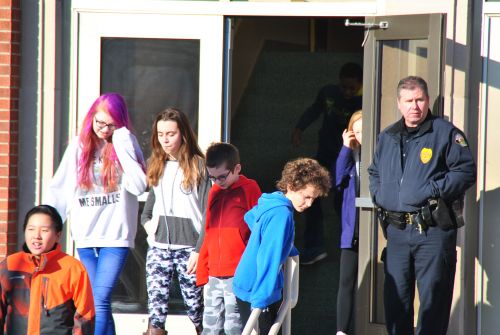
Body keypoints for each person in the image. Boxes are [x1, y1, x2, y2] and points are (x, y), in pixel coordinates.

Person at [368, 76, 476, 335]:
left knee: (433, 302)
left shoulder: (446, 133)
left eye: (419, 100)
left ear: (427, 100)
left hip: (432, 231)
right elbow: (373, 172)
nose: (414, 106)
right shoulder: (388, 136)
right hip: (396, 232)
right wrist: (381, 196)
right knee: (396, 301)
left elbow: (466, 171)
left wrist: (431, 190)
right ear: (399, 103)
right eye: (408, 101)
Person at [44, 93, 147, 335]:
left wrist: (121, 143)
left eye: (111, 124)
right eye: (99, 122)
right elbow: (60, 188)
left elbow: (139, 185)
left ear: (120, 123)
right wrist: (49, 226)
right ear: (91, 118)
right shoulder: (79, 146)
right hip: (86, 236)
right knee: (96, 303)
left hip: (115, 235)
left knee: (98, 299)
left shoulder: (124, 143)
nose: (103, 129)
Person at [233, 157, 331, 334]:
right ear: (292, 186)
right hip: (257, 289)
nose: (309, 203)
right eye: (306, 196)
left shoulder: (273, 201)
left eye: (313, 199)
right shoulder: (282, 215)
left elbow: (251, 217)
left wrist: (287, 246)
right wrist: (261, 299)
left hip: (246, 281)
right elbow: (269, 258)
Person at [141, 108, 211, 335]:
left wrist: (199, 249)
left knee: (195, 307)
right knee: (156, 310)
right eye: (161, 134)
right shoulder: (157, 163)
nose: (165, 139)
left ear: (183, 134)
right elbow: (148, 208)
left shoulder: (198, 166)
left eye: (170, 133)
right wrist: (150, 227)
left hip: (189, 248)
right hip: (159, 248)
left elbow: (207, 211)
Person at [292, 62, 363, 265]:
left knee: (342, 201)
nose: (348, 92)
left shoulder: (364, 101)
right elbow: (314, 110)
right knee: (311, 198)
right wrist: (299, 128)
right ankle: (314, 247)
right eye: (344, 87)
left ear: (360, 85)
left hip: (346, 159)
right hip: (324, 155)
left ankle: (352, 244)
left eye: (352, 88)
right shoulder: (329, 94)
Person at [196, 142, 262, 335]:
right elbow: (209, 229)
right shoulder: (214, 191)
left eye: (222, 176)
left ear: (237, 168)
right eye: (212, 177)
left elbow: (258, 229)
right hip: (214, 272)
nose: (218, 182)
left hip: (237, 271)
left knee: (233, 326)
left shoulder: (249, 189)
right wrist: (203, 265)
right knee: (210, 326)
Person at [0, 204, 95, 334]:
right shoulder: (11, 265)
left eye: (44, 230)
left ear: (58, 235)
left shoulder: (72, 268)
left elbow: (85, 317)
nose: (36, 236)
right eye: (31, 229)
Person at [335, 111, 362, 335]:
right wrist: (346, 147)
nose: (361, 135)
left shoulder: (381, 153)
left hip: (374, 230)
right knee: (346, 281)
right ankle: (342, 330)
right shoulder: (350, 156)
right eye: (357, 131)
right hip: (351, 229)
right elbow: (337, 179)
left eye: (365, 130)